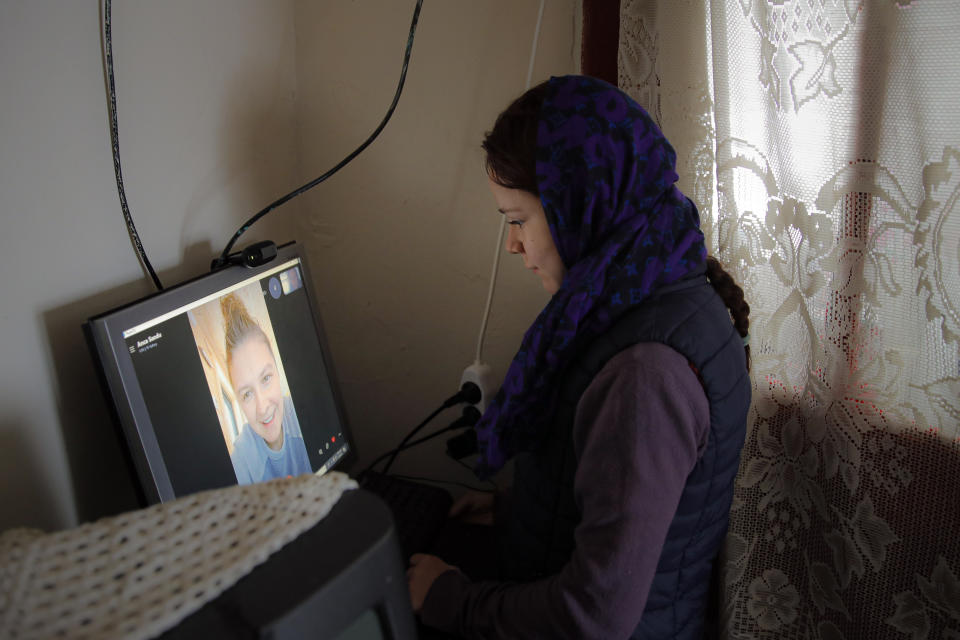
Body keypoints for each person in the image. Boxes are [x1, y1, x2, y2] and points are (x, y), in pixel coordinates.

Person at [406, 75, 752, 639]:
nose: (513, 245)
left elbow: (594, 616)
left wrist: (451, 599)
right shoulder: (646, 292)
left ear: (581, 206)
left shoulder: (646, 375)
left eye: (517, 221)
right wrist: (515, 512)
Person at [221, 292, 313, 484]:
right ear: (238, 402)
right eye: (247, 394)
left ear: (278, 371)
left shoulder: (302, 410)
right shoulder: (241, 460)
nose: (262, 408)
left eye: (266, 379)